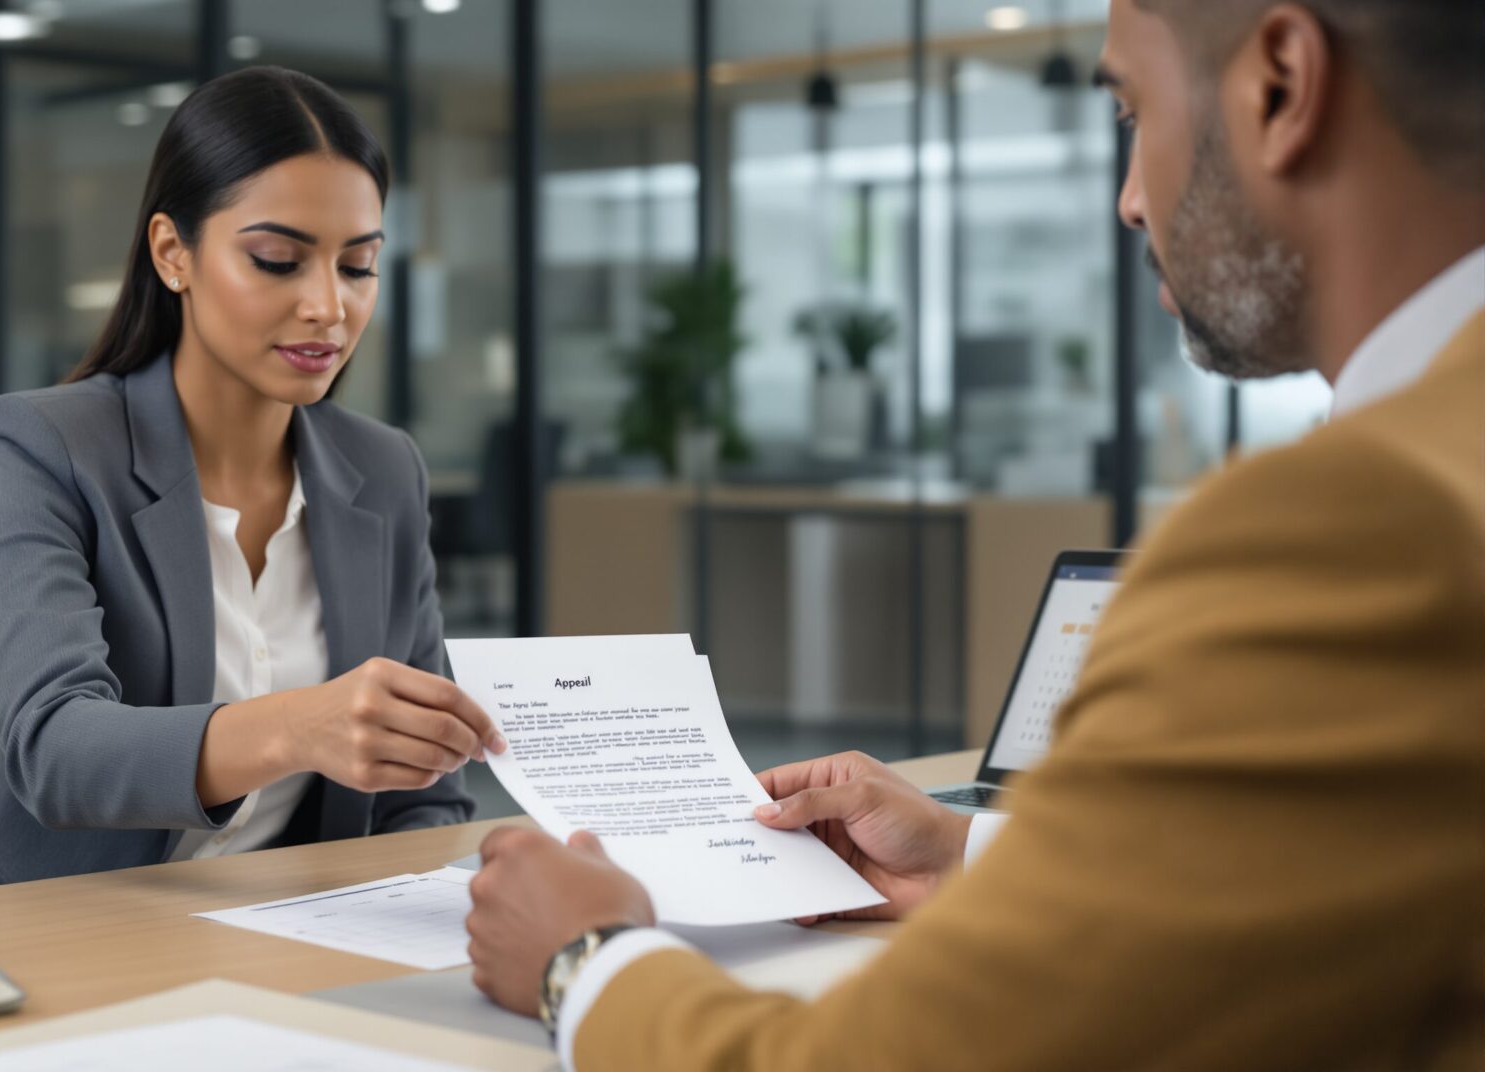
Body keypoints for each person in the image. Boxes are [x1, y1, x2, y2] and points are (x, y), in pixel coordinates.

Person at [465, 1, 1485, 1067]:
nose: (1133, 202)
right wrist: (970, 851)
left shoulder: (1360, 524)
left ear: (1279, 84)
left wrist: (587, 957)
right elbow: (1336, 859)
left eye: (1133, 110)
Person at [0, 67, 504, 895]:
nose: (327, 307)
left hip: (280, 938)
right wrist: (300, 727)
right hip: (45, 930)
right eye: (277, 260)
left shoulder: (383, 469)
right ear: (172, 253)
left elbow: (425, 798)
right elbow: (53, 751)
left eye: (359, 266)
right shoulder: (38, 445)